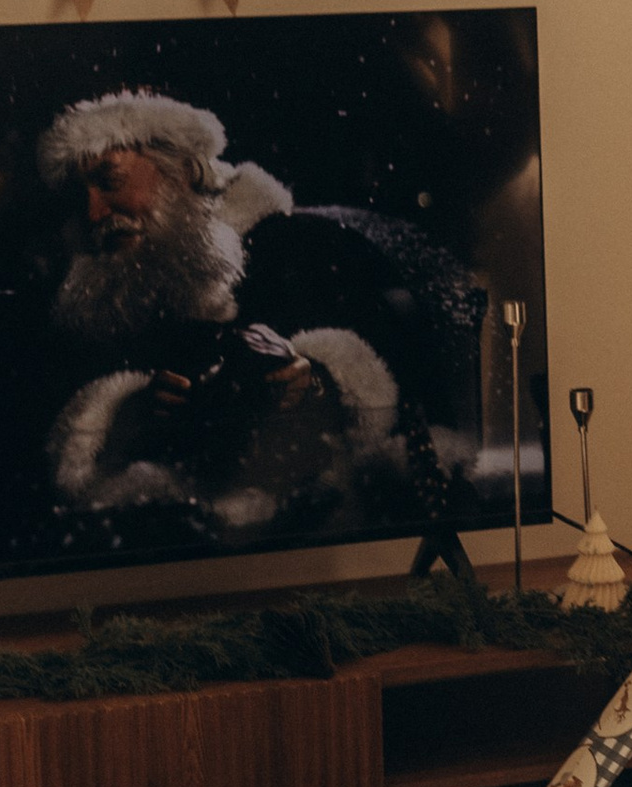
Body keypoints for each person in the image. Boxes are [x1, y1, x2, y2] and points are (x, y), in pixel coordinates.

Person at [35, 93, 484, 549]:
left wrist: (312, 381)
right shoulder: (99, 293)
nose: (94, 213)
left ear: (184, 171)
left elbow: (401, 394)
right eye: (81, 195)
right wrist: (130, 411)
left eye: (110, 182)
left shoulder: (301, 248)